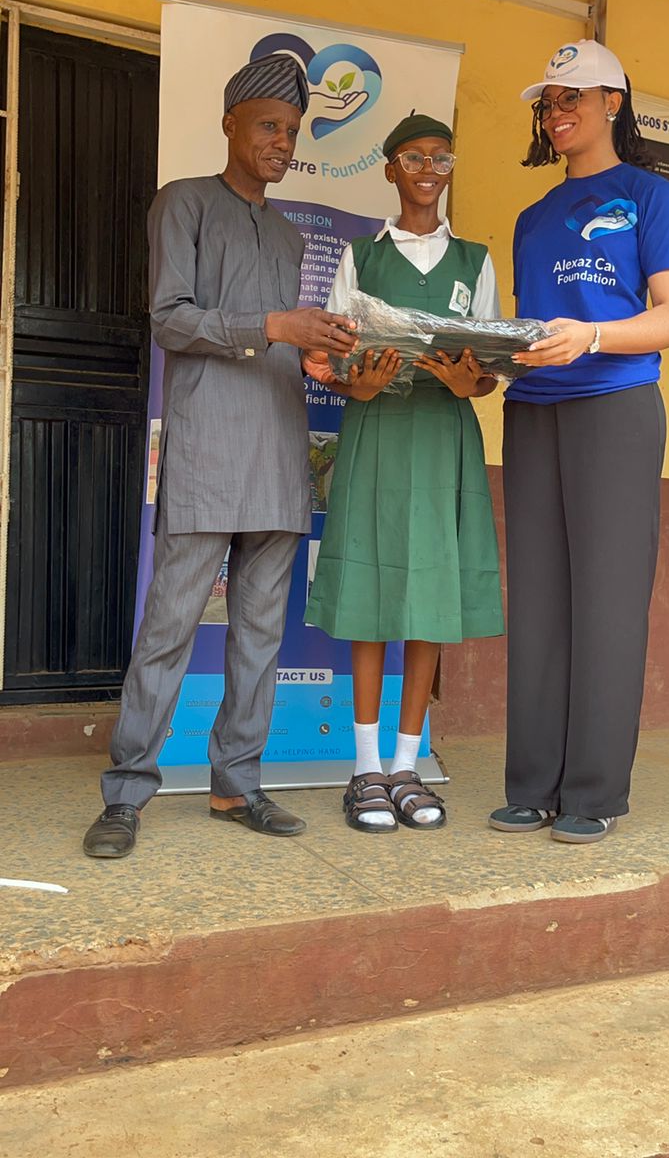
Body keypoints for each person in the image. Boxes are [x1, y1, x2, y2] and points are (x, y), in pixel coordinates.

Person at [83, 53, 356, 858]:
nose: (282, 143)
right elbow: (171, 319)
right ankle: (127, 790)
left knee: (259, 633)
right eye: (269, 126)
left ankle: (237, 786)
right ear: (231, 124)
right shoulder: (185, 203)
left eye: (293, 132)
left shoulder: (285, 232)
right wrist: (274, 327)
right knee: (169, 625)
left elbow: (284, 341)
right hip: (206, 451)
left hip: (276, 448)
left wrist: (320, 352)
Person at [488, 39, 669, 845]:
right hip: (534, 412)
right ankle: (532, 784)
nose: (558, 112)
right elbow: (532, 325)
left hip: (616, 407)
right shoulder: (532, 219)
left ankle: (594, 794)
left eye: (574, 96)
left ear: (614, 101)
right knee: (537, 604)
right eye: (549, 101)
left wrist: (593, 338)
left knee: (606, 604)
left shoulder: (650, 195)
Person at [304, 113, 504, 832]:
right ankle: (364, 769)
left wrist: (466, 384)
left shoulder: (476, 261)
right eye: (412, 156)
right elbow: (328, 356)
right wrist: (353, 384)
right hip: (376, 430)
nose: (427, 166)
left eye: (440, 156)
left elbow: (488, 369)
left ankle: (408, 765)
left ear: (450, 169)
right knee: (372, 590)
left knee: (428, 601)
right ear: (389, 169)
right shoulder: (361, 256)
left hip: (441, 435)